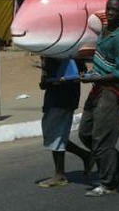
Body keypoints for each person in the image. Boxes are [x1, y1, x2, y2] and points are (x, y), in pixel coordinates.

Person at [78, 0, 119, 197]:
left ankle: (108, 183)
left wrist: (100, 78)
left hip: (111, 91)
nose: (111, 13)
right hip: (98, 88)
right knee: (85, 133)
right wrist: (91, 75)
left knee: (102, 138)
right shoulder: (105, 31)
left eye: (116, 10)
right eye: (109, 8)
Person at [37, 57, 93, 188]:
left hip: (63, 99)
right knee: (55, 134)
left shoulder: (65, 52)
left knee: (55, 134)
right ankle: (85, 156)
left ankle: (60, 175)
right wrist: (47, 82)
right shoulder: (49, 52)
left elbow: (81, 74)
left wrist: (60, 81)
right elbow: (45, 80)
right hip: (55, 98)